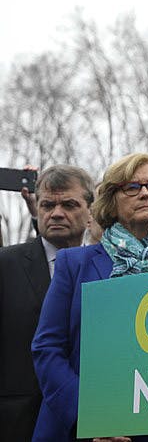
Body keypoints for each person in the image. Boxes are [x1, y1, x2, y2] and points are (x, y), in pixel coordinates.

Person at [31, 153, 148, 442]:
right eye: (132, 187)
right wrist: (91, 416)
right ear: (111, 200)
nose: (145, 193)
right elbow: (47, 348)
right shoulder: (73, 264)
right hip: (81, 428)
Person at [0, 165, 94, 441]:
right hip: (17, 424)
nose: (56, 213)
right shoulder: (6, 265)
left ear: (91, 211)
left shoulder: (107, 269)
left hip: (85, 424)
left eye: (69, 204)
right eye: (47, 204)